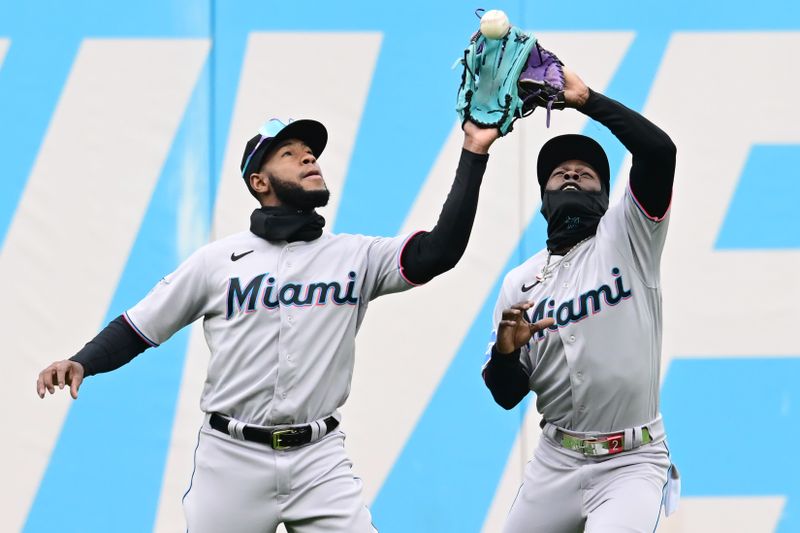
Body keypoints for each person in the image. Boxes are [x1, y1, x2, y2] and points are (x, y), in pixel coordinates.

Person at [36, 116, 500, 533]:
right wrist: (83, 361)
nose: (308, 157)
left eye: (311, 152)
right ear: (259, 181)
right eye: (290, 154)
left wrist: (474, 150)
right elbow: (140, 326)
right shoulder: (217, 261)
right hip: (231, 459)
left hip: (318, 458)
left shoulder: (355, 255)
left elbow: (440, 251)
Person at [482, 66, 679, 533]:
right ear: (543, 199)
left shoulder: (629, 237)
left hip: (631, 462)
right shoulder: (519, 283)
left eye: (586, 174)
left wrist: (587, 100)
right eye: (558, 173)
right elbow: (507, 396)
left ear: (608, 196)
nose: (570, 174)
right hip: (556, 461)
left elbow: (659, 151)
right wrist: (505, 354)